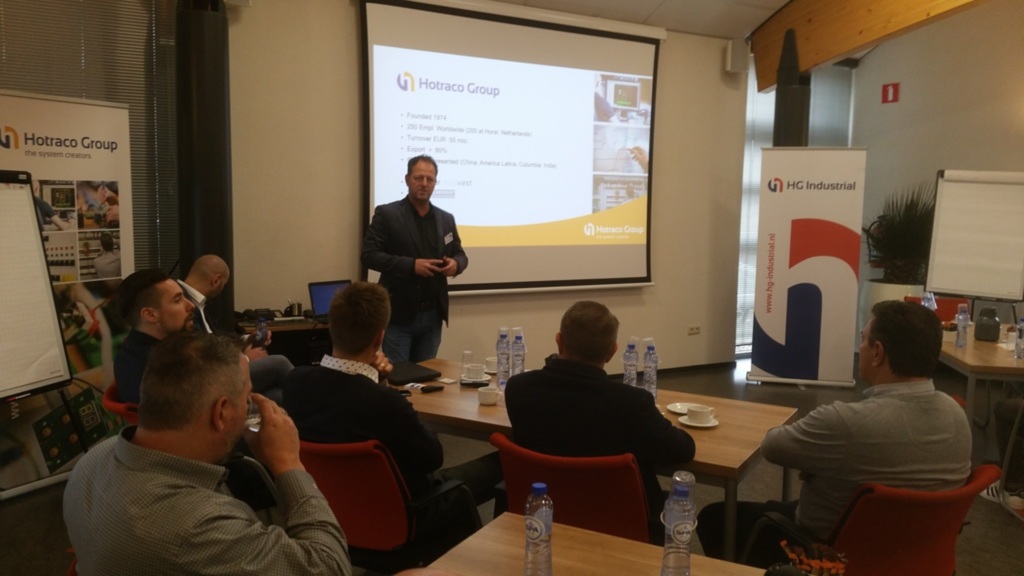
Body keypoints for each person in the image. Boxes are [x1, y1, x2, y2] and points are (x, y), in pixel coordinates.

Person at [696, 300, 972, 567]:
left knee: (716, 518)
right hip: (919, 555)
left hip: (830, 555)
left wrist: (820, 462)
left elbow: (773, 445)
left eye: (862, 339)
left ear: (878, 352)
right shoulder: (957, 415)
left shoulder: (845, 423)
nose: (860, 347)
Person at [64, 332, 351, 575]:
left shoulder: (91, 461)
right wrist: (289, 464)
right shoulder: (197, 527)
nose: (249, 406)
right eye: (246, 398)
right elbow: (331, 567)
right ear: (221, 412)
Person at [283, 281, 501, 510]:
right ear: (379, 338)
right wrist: (384, 387)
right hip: (408, 507)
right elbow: (432, 458)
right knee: (505, 462)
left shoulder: (295, 382)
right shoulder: (385, 401)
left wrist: (378, 381)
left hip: (328, 506)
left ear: (332, 328)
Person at [504, 300, 695, 542]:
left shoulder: (518, 389)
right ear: (612, 351)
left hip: (542, 516)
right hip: (621, 527)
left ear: (559, 341)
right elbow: (683, 449)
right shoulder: (632, 404)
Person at [361, 155, 468, 363]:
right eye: (419, 178)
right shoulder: (388, 214)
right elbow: (369, 255)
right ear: (407, 179)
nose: (424, 184)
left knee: (427, 376)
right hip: (399, 315)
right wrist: (411, 266)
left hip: (433, 315)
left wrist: (456, 265)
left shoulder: (446, 218)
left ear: (435, 182)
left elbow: (460, 253)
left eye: (430, 179)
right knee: (399, 377)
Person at [178, 254, 293, 403]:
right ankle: (319, 398)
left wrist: (248, 339)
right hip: (209, 378)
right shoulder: (187, 306)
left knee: (278, 395)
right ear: (216, 281)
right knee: (279, 363)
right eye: (224, 285)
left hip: (217, 370)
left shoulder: (198, 302)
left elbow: (214, 340)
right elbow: (202, 352)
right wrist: (245, 358)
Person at [113, 269, 195, 404]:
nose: (191, 305)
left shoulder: (136, 349)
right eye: (177, 300)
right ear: (150, 315)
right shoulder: (161, 369)